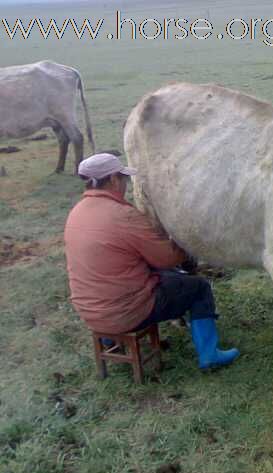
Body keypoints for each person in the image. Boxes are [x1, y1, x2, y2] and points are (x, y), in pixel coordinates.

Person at [64, 153, 239, 369]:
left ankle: (109, 339)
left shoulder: (76, 213)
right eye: (123, 179)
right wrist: (186, 245)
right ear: (112, 180)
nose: (125, 185)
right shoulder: (123, 215)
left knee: (143, 278)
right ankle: (209, 356)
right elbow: (166, 259)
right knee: (198, 288)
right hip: (126, 312)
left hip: (89, 311)